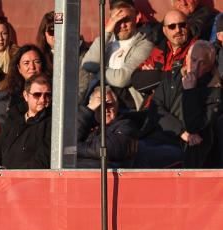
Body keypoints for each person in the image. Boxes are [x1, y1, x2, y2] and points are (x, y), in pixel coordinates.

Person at [136, 39, 221, 168]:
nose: (195, 67)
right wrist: (181, 132)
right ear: (186, 58)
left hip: (181, 147)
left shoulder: (215, 92)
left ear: (210, 66)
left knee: (144, 155)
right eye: (193, 60)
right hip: (157, 135)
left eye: (202, 63)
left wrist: (190, 92)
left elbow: (194, 126)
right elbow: (155, 108)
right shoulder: (172, 77)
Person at [80, 0, 154, 109]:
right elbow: (87, 64)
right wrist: (107, 32)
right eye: (117, 20)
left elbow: (121, 79)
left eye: (126, 20)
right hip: (96, 98)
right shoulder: (107, 40)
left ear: (136, 18)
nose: (122, 25)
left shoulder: (145, 44)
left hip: (124, 104)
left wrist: (97, 71)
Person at [0, 74, 52, 169]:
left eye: (47, 95)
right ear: (26, 95)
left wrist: (15, 179)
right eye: (37, 95)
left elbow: (42, 159)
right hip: (2, 180)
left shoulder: (53, 123)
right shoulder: (12, 118)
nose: (42, 99)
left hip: (30, 181)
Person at [132, 9, 196, 102]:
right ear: (164, 30)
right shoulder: (158, 50)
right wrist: (169, 76)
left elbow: (182, 84)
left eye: (182, 25)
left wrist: (153, 78)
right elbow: (136, 80)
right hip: (152, 105)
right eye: (172, 26)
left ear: (188, 26)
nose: (178, 30)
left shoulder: (196, 48)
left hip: (180, 106)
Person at [76, 88, 139, 168]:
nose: (105, 109)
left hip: (108, 175)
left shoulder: (125, 125)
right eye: (100, 105)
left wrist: (74, 148)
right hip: (76, 174)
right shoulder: (86, 125)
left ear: (116, 106)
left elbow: (109, 149)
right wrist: (88, 110)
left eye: (109, 104)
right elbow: (68, 139)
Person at [3, 45, 48, 123]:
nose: (32, 67)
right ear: (19, 68)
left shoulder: (52, 90)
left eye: (37, 62)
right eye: (26, 63)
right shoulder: (13, 94)